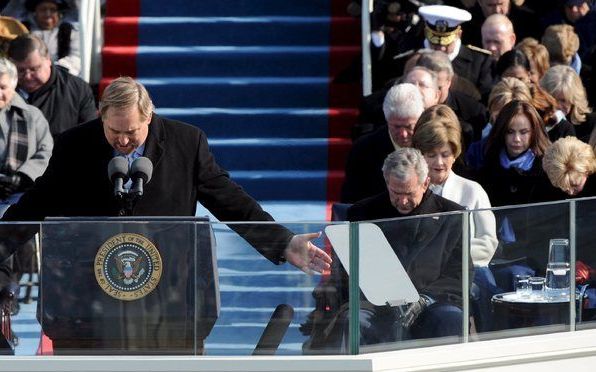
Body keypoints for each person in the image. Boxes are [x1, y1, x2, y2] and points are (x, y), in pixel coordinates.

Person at [1, 76, 331, 273]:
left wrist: (283, 241)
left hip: (167, 280)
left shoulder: (186, 142)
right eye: (114, 131)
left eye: (131, 131)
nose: (123, 140)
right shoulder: (76, 144)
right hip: (91, 280)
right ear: (101, 117)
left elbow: (228, 199)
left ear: (149, 116)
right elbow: (37, 202)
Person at [304, 148, 468, 352]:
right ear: (386, 181)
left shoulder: (452, 216)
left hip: (432, 303)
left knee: (449, 319)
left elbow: (459, 274)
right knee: (354, 321)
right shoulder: (363, 213)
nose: (403, 201)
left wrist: (424, 299)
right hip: (375, 304)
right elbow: (346, 270)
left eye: (409, 193)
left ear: (425, 183)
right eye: (396, 193)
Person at [341, 83, 425, 203]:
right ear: (387, 119)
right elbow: (351, 202)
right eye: (396, 127)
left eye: (409, 126)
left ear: (420, 119)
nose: (403, 134)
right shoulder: (363, 150)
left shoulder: (432, 146)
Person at [7, 34, 96, 138]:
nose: (28, 76)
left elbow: (90, 136)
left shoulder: (77, 89)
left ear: (48, 59)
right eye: (20, 70)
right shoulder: (4, 91)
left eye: (34, 69)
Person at [418, 4, 495, 100]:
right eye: (435, 43)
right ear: (426, 33)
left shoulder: (479, 61)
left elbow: (485, 100)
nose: (441, 49)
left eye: (446, 43)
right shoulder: (412, 59)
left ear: (459, 34)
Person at [21, 0, 80, 76]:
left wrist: (52, 72)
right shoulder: (23, 30)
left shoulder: (70, 31)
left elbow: (76, 58)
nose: (48, 14)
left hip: (61, 77)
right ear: (35, 12)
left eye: (53, 10)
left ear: (59, 13)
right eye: (43, 10)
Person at [541, 65, 595, 142]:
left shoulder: (590, 124)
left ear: (574, 99)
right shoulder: (538, 119)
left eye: (563, 100)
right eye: (552, 99)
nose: (557, 105)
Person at [461, 0, 544, 48]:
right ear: (480, 2)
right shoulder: (467, 22)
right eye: (491, 5)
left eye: (501, 4)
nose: (497, 10)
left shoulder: (528, 21)